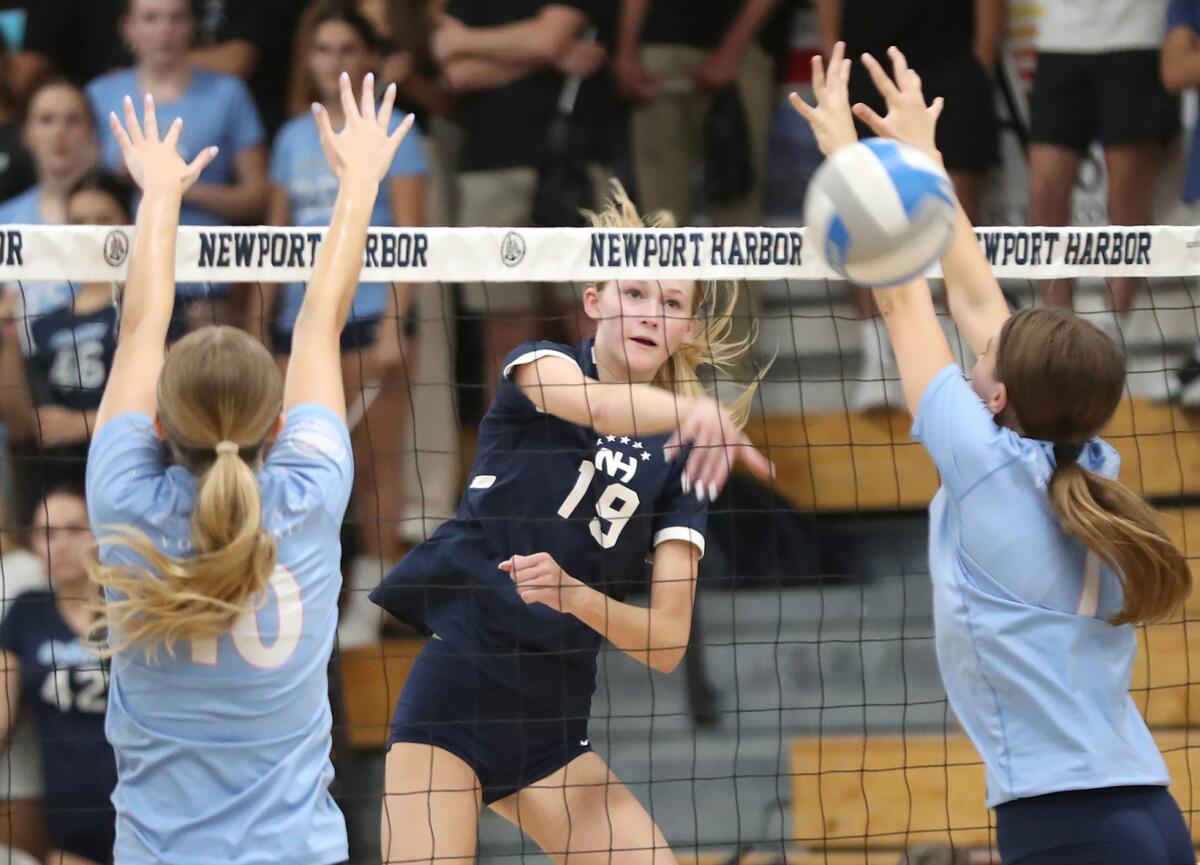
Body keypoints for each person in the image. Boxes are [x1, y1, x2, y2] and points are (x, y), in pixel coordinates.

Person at [791, 44, 1193, 865]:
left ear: (999, 396)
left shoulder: (985, 466)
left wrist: (845, 153)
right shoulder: (1091, 466)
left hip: (1064, 825)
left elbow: (902, 291)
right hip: (1150, 810)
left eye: (986, 360)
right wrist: (928, 159)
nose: (979, 353)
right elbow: (977, 299)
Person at [370, 182, 772, 865]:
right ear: (594, 302)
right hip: (459, 691)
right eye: (635, 293)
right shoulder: (540, 369)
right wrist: (689, 411)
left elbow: (667, 643)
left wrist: (576, 596)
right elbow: (599, 407)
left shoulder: (681, 465)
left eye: (672, 302)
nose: (651, 312)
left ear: (689, 329)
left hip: (555, 727)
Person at [83, 77, 413, 862]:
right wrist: (362, 181)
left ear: (159, 425)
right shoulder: (309, 490)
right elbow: (322, 322)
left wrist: (158, 192)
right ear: (277, 426)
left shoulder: (123, 497)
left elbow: (137, 328)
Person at [269, 2, 427, 646]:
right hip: (298, 325)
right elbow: (274, 243)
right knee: (293, 466)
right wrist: (261, 329)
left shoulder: (397, 131)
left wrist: (396, 323)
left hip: (368, 321)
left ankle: (374, 595)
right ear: (307, 59)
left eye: (347, 49)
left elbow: (415, 238)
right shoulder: (289, 138)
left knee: (374, 467)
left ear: (368, 59)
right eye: (323, 49)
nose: (335, 61)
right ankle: (301, 594)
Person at [815, 0, 1003, 411]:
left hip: (948, 60)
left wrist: (978, 68)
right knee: (861, 200)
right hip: (865, 57)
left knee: (954, 203)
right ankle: (877, 356)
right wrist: (835, 62)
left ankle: (965, 351)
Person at [4, 172, 187, 507]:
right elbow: (24, 427)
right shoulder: (44, 323)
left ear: (129, 226)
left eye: (103, 220)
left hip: (135, 473)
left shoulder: (157, 314)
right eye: (79, 222)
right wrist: (6, 341)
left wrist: (85, 424)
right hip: (57, 483)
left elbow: (176, 403)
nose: (92, 233)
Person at [86, 0, 267, 330]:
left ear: (192, 26)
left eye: (176, 18)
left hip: (204, 272)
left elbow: (257, 196)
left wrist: (174, 186)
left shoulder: (228, 93)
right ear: (128, 28)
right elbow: (81, 185)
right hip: (122, 271)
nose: (164, 29)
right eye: (151, 18)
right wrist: (122, 177)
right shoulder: (100, 95)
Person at [1026, 0, 1176, 341]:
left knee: (1127, 192)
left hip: (1136, 36)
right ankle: (1056, 328)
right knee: (1044, 192)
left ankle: (1112, 325)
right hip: (1059, 38)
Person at [1, 487, 117, 865]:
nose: (61, 544)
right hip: (70, 824)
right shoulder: (26, 612)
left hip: (144, 811)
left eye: (74, 529)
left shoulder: (131, 610)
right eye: (47, 533)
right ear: (33, 544)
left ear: (100, 533)